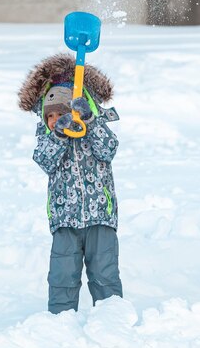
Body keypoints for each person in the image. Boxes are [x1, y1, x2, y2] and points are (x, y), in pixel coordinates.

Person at [18, 53, 123, 314]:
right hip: (64, 220)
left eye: (60, 114)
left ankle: (112, 321)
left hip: (101, 217)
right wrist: (59, 135)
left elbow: (108, 150)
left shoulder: (93, 127)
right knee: (62, 277)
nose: (54, 120)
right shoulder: (48, 136)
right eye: (49, 116)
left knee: (105, 273)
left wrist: (90, 121)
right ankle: (60, 321)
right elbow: (44, 160)